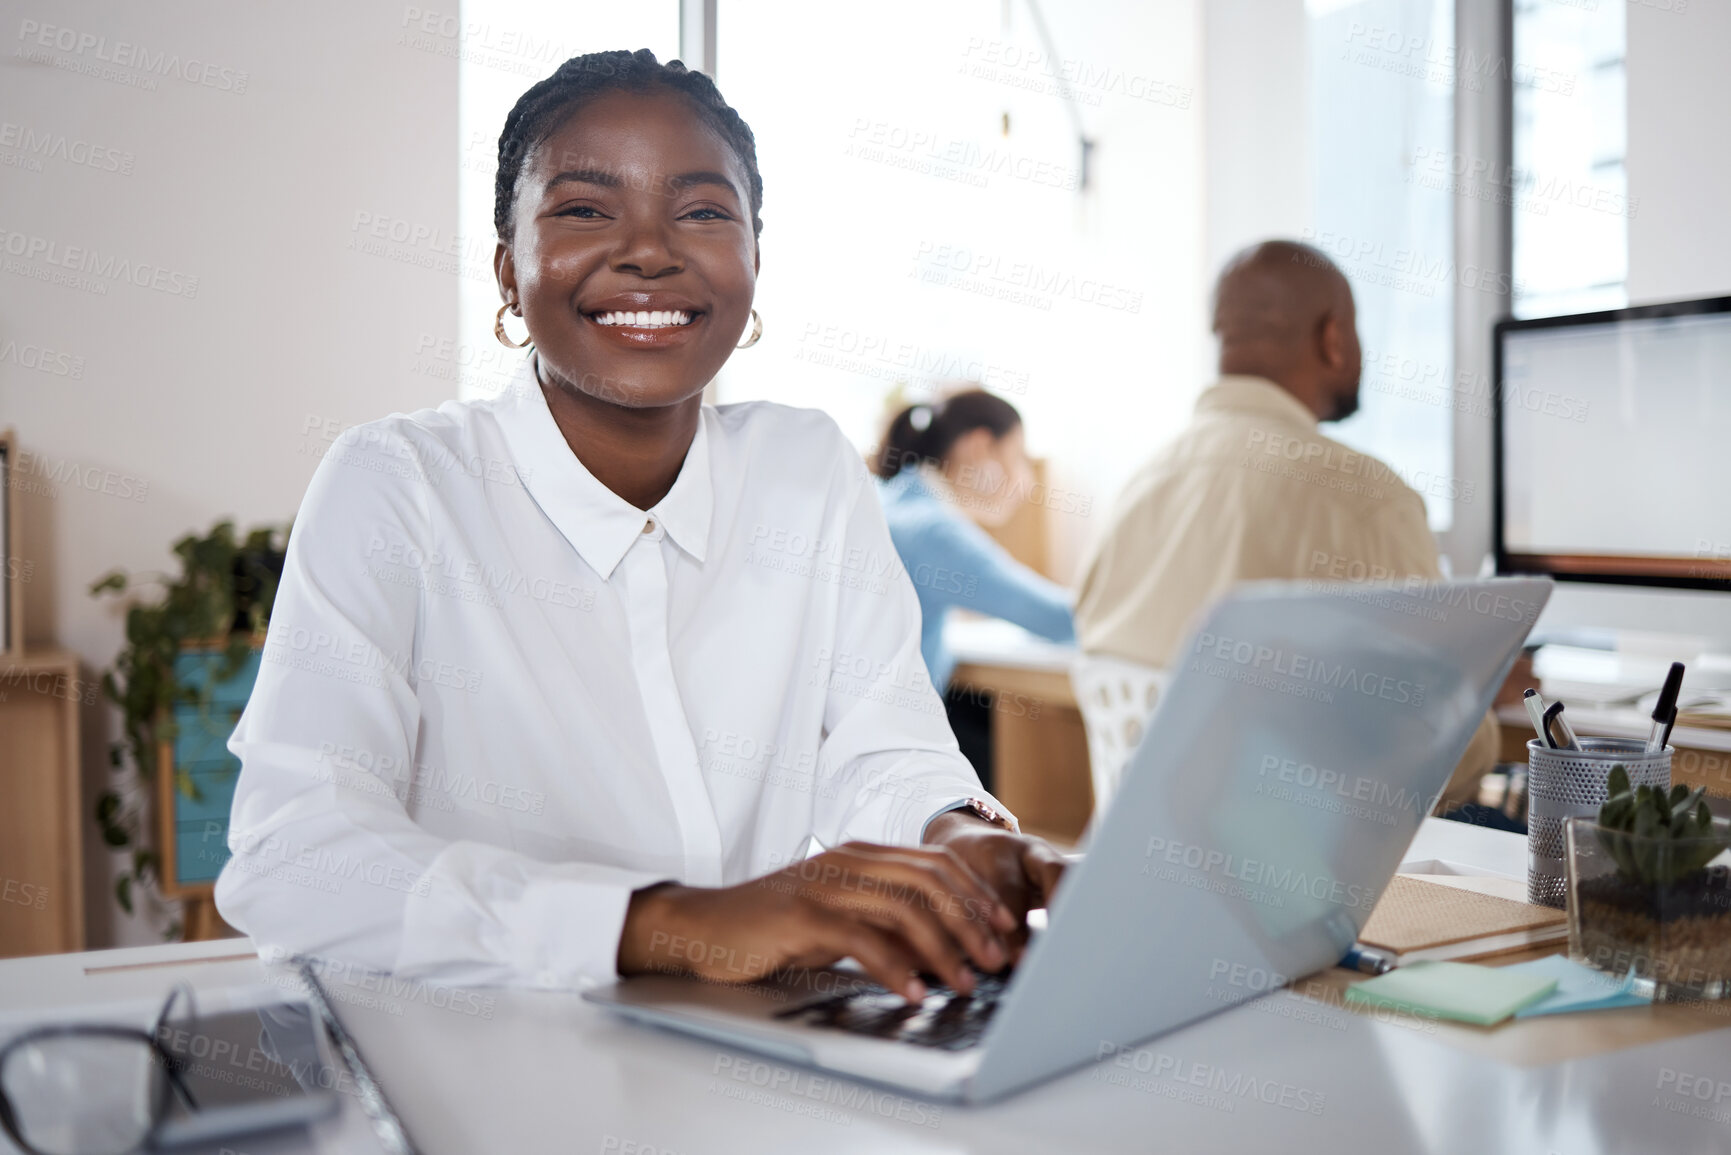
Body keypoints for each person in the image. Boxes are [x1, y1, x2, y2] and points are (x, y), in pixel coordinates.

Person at [215, 49, 1064, 1005]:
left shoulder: (806, 470)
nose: (650, 249)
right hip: (478, 1050)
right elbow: (295, 853)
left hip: (747, 1045)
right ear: (507, 267)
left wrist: (966, 838)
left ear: (751, 260)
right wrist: (667, 923)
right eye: (584, 209)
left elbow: (882, 749)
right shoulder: (397, 484)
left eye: (702, 211)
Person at [1073, 239, 1498, 807]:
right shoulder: (1369, 498)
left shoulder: (1138, 484)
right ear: (1334, 338)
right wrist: (1489, 696)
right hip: (1303, 863)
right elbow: (1446, 747)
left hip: (1157, 850)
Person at [873, 389, 1075, 783]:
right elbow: (1057, 619)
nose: (1025, 481)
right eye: (1018, 457)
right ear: (980, 446)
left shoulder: (892, 500)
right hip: (894, 753)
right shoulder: (934, 529)